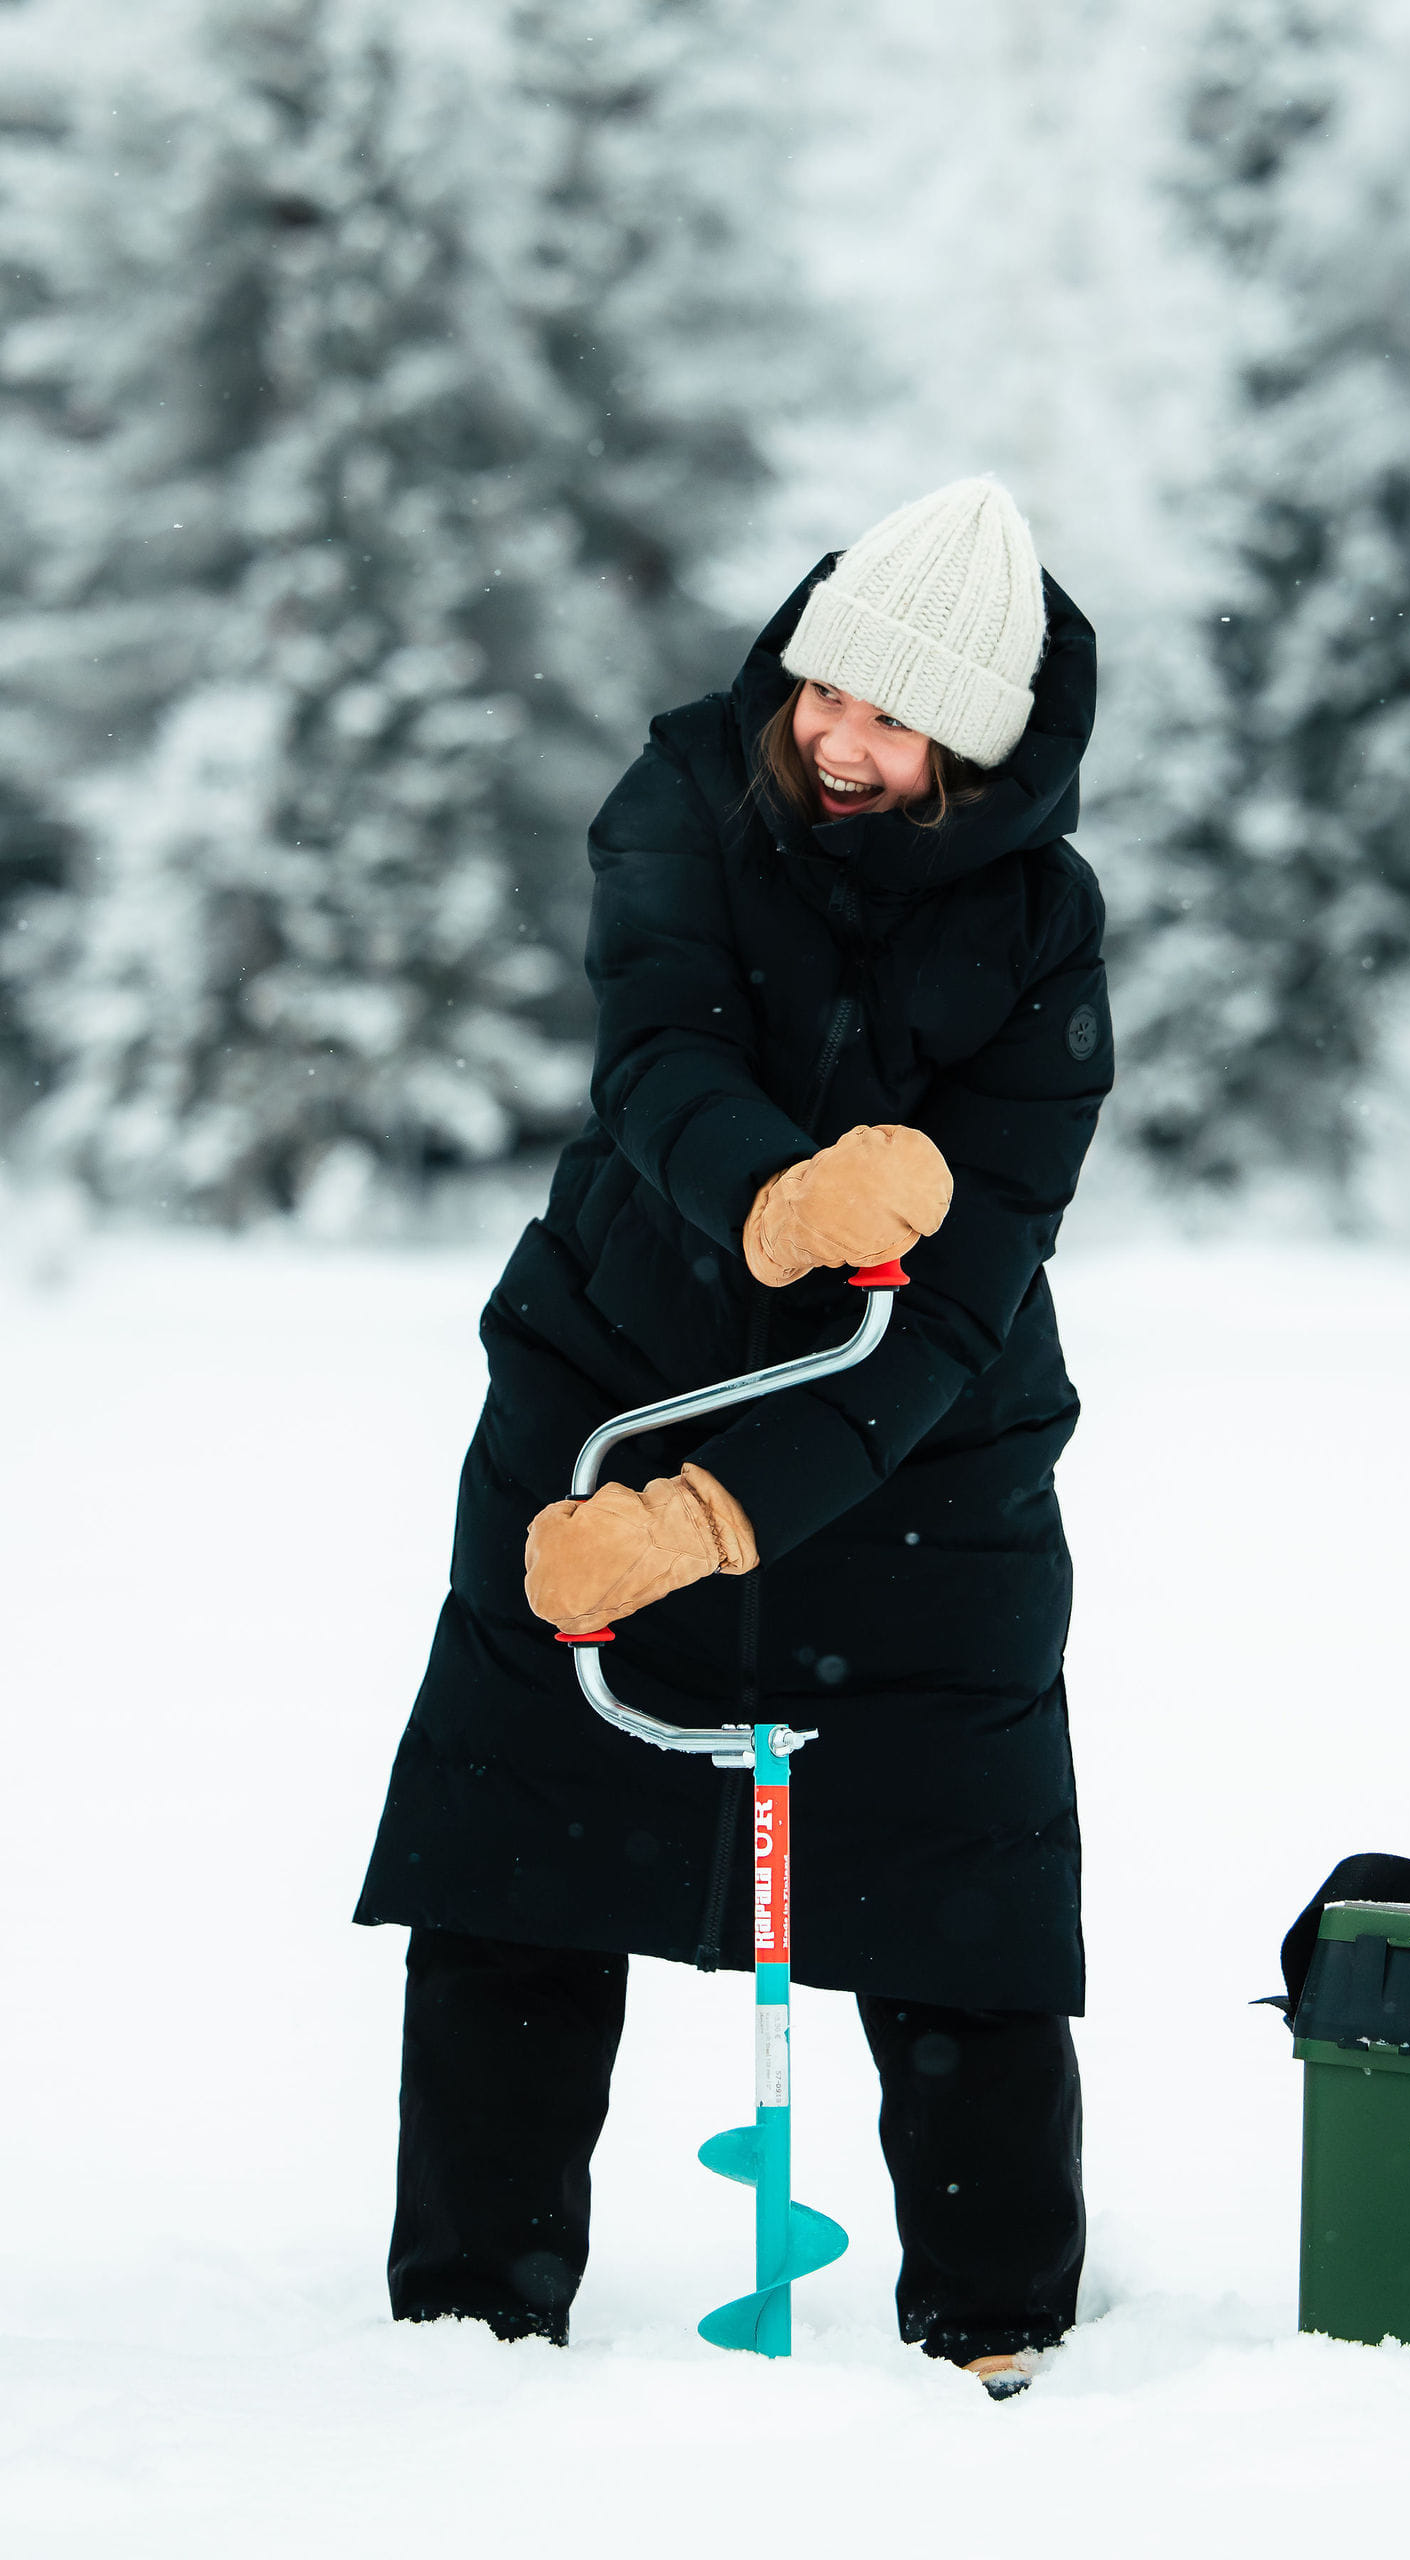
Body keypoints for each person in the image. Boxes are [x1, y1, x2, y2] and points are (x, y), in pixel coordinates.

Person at [354, 478, 1112, 2398]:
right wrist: (774, 1198)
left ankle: (998, 2331)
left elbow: (967, 1279)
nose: (839, 741)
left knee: (963, 1892)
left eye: (895, 714)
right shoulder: (684, 793)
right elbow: (655, 1053)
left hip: (923, 1461)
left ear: (986, 741)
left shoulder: (1042, 924)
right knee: (519, 1851)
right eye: (823, 689)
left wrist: (723, 1509)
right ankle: (470, 2324)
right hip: (605, 1370)